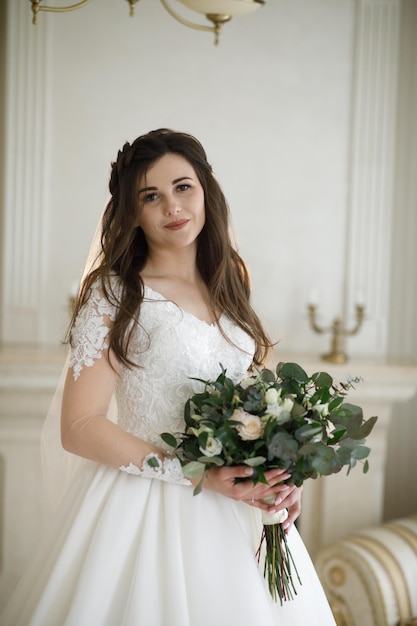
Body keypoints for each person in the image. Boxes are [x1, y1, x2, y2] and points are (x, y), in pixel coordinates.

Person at [0, 129, 336, 626]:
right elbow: (79, 427)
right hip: (143, 508)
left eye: (183, 187)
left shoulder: (231, 281)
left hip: (241, 508)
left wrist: (284, 474)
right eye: (150, 196)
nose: (172, 208)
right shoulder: (117, 295)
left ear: (206, 190)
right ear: (131, 212)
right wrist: (197, 473)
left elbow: (257, 401)